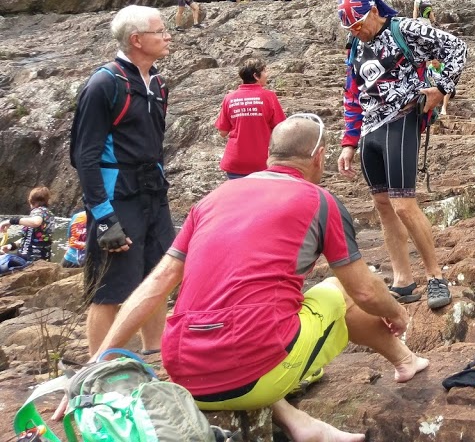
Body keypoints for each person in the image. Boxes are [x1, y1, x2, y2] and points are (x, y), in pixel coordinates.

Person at [89, 116, 429, 442]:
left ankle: (296, 420)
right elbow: (366, 292)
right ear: (319, 157)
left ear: (269, 156)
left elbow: (155, 284)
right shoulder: (320, 201)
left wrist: (99, 361)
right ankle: (405, 360)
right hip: (255, 377)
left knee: (250, 315)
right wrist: (398, 314)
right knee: (341, 288)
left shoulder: (210, 201)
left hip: (186, 376)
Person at [337, 0, 467, 309]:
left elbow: (457, 48)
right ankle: (402, 279)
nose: (356, 31)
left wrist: (441, 88)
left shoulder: (404, 29)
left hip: (403, 118)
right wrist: (348, 143)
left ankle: (436, 276)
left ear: (373, 12)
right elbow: (352, 94)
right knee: (382, 204)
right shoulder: (355, 44)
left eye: (358, 24)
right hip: (370, 129)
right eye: (350, 27)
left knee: (404, 205)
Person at [71, 5, 176, 354]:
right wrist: (102, 218)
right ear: (136, 40)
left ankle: (155, 355)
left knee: (157, 278)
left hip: (153, 193)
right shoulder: (104, 84)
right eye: (160, 31)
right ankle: (99, 367)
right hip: (117, 198)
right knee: (111, 287)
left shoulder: (157, 82)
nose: (167, 35)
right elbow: (84, 156)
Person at [215, 58, 287, 178]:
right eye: (265, 71)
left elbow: (222, 132)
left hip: (235, 162)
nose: (267, 74)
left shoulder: (229, 98)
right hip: (262, 162)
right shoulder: (269, 97)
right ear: (256, 76)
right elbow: (281, 128)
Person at [0, 186, 54, 262]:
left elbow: (36, 222)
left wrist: (10, 221)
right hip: (31, 257)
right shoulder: (47, 214)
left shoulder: (39, 211)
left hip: (32, 259)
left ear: (31, 200)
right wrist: (11, 246)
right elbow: (30, 237)